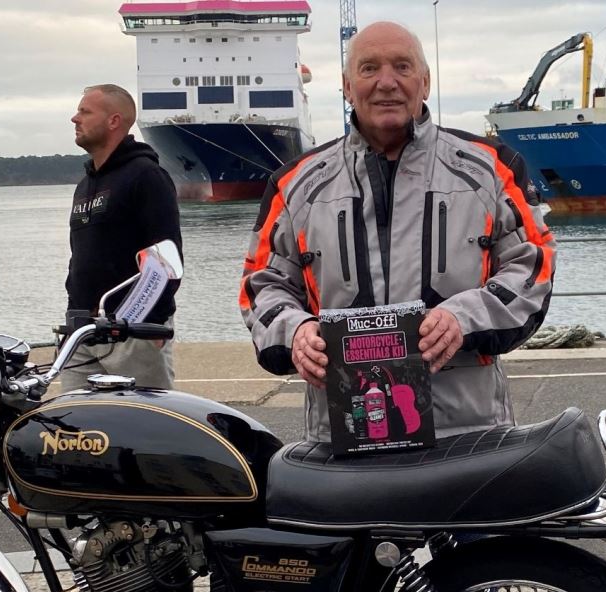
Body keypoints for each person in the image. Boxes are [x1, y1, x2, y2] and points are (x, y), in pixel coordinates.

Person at [240, 22, 555, 441]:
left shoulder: (493, 169)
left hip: (468, 435)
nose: (386, 83)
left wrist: (462, 318)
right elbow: (262, 284)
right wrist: (295, 330)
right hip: (342, 433)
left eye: (402, 67)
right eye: (369, 69)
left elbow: (534, 268)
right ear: (347, 87)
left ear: (424, 83)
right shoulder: (293, 184)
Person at [61, 83, 182, 393]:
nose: (75, 119)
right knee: (75, 427)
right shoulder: (85, 184)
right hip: (81, 330)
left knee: (142, 427)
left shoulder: (146, 176)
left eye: (85, 112)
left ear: (114, 120)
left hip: (130, 332)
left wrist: (148, 324)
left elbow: (166, 258)